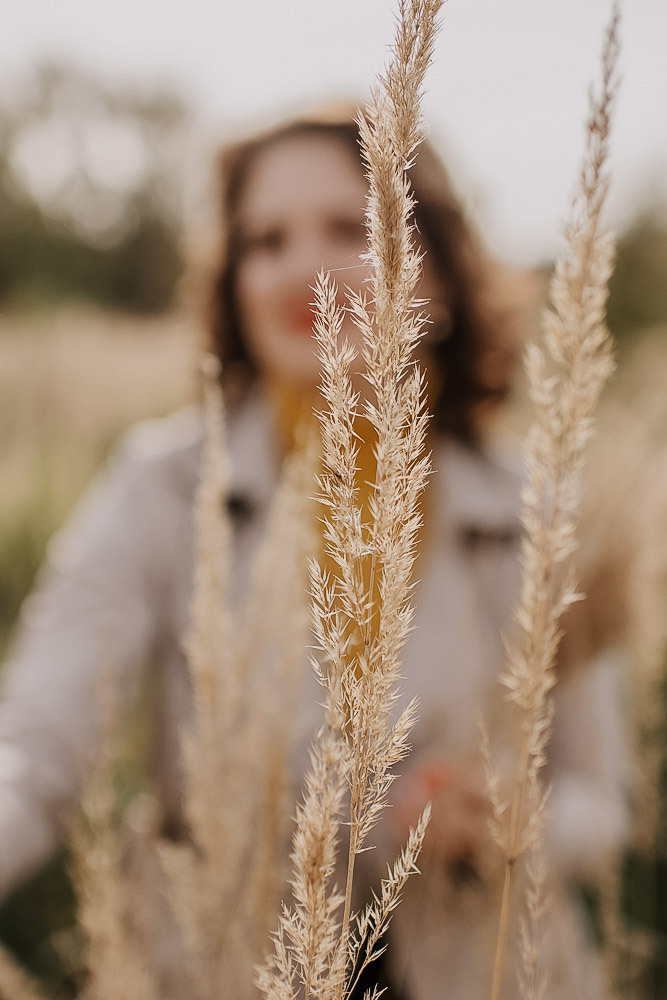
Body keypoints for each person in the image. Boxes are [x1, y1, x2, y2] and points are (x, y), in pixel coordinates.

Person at [0, 108, 628, 1000]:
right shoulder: (164, 488)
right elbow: (31, 750)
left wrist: (509, 822)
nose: (302, 266)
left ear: (437, 274)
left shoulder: (536, 513)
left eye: (350, 225)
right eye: (264, 240)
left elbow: (601, 807)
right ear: (233, 282)